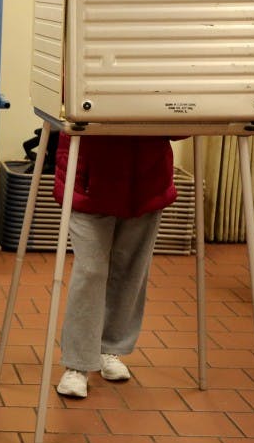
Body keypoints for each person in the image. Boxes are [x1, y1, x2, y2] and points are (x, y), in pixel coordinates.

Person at [53, 134, 178, 398]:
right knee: (91, 271)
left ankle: (110, 348)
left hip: (146, 180)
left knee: (130, 269)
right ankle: (77, 364)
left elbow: (181, 125)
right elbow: (68, 107)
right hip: (90, 177)